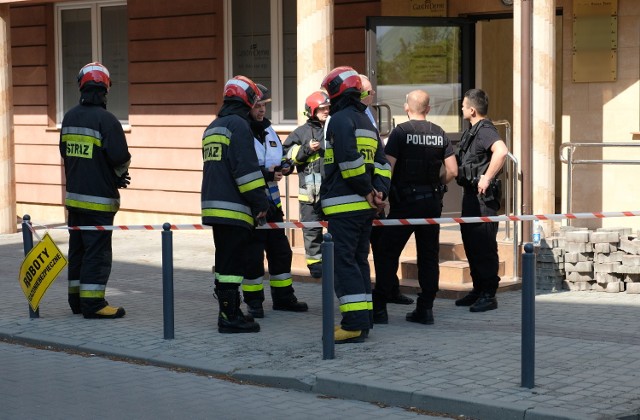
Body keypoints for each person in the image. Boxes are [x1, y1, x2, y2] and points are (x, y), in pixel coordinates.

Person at [372, 90, 458, 325]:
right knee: (428, 257)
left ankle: (379, 308)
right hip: (431, 203)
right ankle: (426, 308)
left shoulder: (400, 132)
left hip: (404, 204)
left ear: (406, 108)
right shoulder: (439, 134)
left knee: (386, 252)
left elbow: (388, 167)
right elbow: (452, 170)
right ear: (428, 109)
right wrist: (437, 185)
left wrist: (381, 193)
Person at [320, 66, 391, 344]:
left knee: (343, 263)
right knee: (359, 261)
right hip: (365, 208)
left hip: (344, 206)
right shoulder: (367, 122)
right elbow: (382, 163)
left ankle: (352, 324)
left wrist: (368, 190)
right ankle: (364, 320)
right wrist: (380, 192)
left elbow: (348, 162)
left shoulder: (339, 120)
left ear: (337, 92)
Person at [59, 62, 131, 319]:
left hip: (74, 200)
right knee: (97, 253)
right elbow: (120, 157)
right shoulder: (107, 120)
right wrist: (120, 177)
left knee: (77, 249)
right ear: (105, 89)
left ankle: (77, 301)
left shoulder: (68, 117)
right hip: (99, 202)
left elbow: (65, 154)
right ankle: (94, 304)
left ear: (82, 86)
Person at [201, 75, 269, 333]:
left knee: (225, 261)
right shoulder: (239, 126)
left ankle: (228, 312)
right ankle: (229, 317)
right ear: (247, 100)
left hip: (214, 205)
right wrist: (261, 202)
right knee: (232, 264)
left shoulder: (213, 127)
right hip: (234, 207)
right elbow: (246, 172)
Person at [242, 84, 309, 318]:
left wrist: (286, 165)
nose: (261, 111)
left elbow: (281, 155)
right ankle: (253, 302)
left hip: (272, 204)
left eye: (264, 106)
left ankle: (283, 298)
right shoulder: (241, 130)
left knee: (281, 251)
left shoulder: (269, 129)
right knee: (253, 255)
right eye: (257, 106)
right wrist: (268, 174)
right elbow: (241, 168)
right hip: (251, 204)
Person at [454, 88, 508, 312]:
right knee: (472, 244)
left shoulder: (485, 130)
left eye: (464, 106)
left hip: (483, 198)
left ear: (473, 110)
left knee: (484, 246)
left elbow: (502, 151)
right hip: (471, 196)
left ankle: (489, 294)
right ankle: (478, 289)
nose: (462, 109)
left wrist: (487, 177)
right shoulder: (473, 131)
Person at [282, 91, 331, 279]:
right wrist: (307, 149)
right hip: (309, 193)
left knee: (337, 228)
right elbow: (286, 157)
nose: (326, 111)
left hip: (332, 191)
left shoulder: (334, 129)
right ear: (312, 111)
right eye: (322, 109)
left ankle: (335, 259)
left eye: (328, 108)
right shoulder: (300, 133)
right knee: (311, 228)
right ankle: (314, 263)